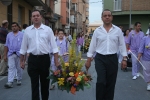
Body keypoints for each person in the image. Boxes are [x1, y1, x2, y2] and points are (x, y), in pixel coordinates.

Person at [85, 9, 127, 100]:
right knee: (101, 81)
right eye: (105, 16)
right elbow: (92, 45)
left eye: (109, 15)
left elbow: (122, 45)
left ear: (112, 17)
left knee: (111, 83)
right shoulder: (97, 31)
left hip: (112, 58)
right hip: (100, 58)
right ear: (102, 18)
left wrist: (124, 58)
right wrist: (88, 59)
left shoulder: (118, 31)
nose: (107, 17)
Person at [19, 10, 59, 100]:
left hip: (44, 59)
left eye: (37, 15)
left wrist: (56, 61)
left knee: (45, 84)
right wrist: (21, 61)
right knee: (34, 84)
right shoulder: (27, 31)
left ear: (41, 17)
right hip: (32, 60)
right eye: (34, 16)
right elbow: (23, 47)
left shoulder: (48, 30)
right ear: (31, 18)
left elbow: (54, 47)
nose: (36, 17)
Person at [4, 22, 23, 88]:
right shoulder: (9, 35)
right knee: (11, 68)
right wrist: (5, 55)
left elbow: (24, 45)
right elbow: (6, 45)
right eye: (12, 26)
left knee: (19, 68)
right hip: (11, 53)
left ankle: (19, 79)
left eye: (15, 26)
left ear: (18, 27)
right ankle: (10, 81)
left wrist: (25, 56)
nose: (14, 27)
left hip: (19, 54)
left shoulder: (22, 34)